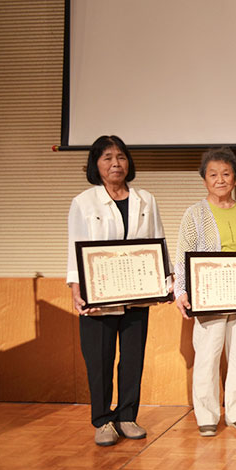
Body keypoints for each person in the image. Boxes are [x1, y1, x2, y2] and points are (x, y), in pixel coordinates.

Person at [67, 135, 166, 446]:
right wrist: (75, 288)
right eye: (107, 157)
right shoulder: (83, 202)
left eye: (121, 157)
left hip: (138, 291)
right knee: (99, 359)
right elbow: (74, 249)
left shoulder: (146, 200)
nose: (115, 164)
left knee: (133, 357)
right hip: (99, 294)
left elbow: (158, 242)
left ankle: (126, 416)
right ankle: (102, 420)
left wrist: (166, 281)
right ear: (96, 164)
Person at [175, 147, 236, 437]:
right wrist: (181, 291)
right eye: (213, 174)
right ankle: (206, 414)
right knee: (207, 354)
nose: (220, 180)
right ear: (204, 180)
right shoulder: (194, 214)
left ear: (235, 178)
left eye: (226, 174)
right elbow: (183, 256)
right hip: (208, 296)